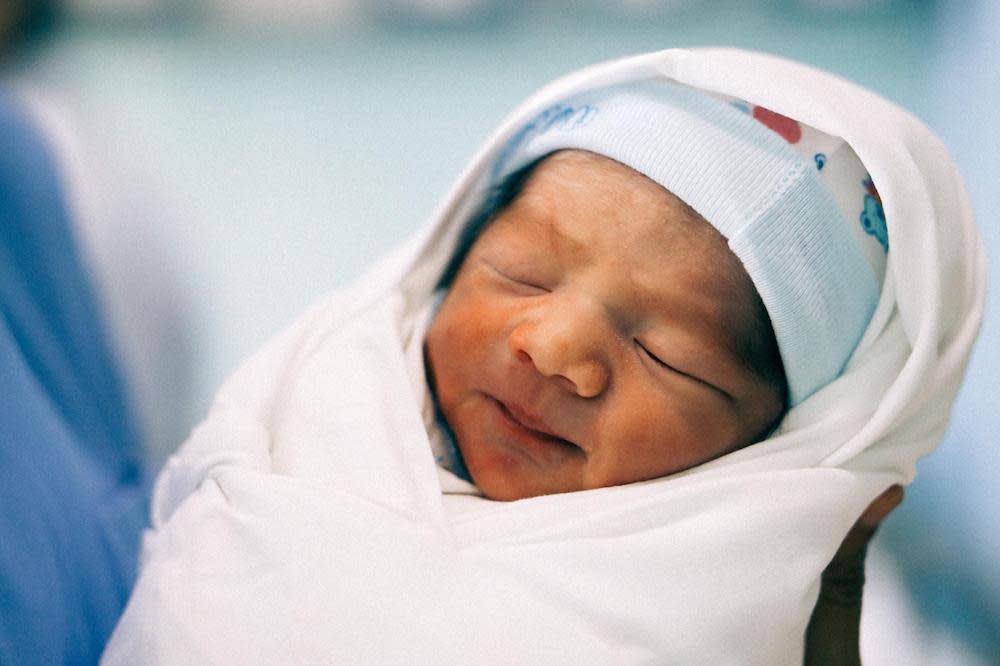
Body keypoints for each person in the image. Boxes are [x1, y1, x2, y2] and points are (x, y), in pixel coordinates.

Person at [105, 49, 984, 663]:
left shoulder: (726, 600)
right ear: (446, 260)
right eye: (522, 275)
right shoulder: (312, 405)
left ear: (778, 445)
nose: (556, 348)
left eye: (667, 356)